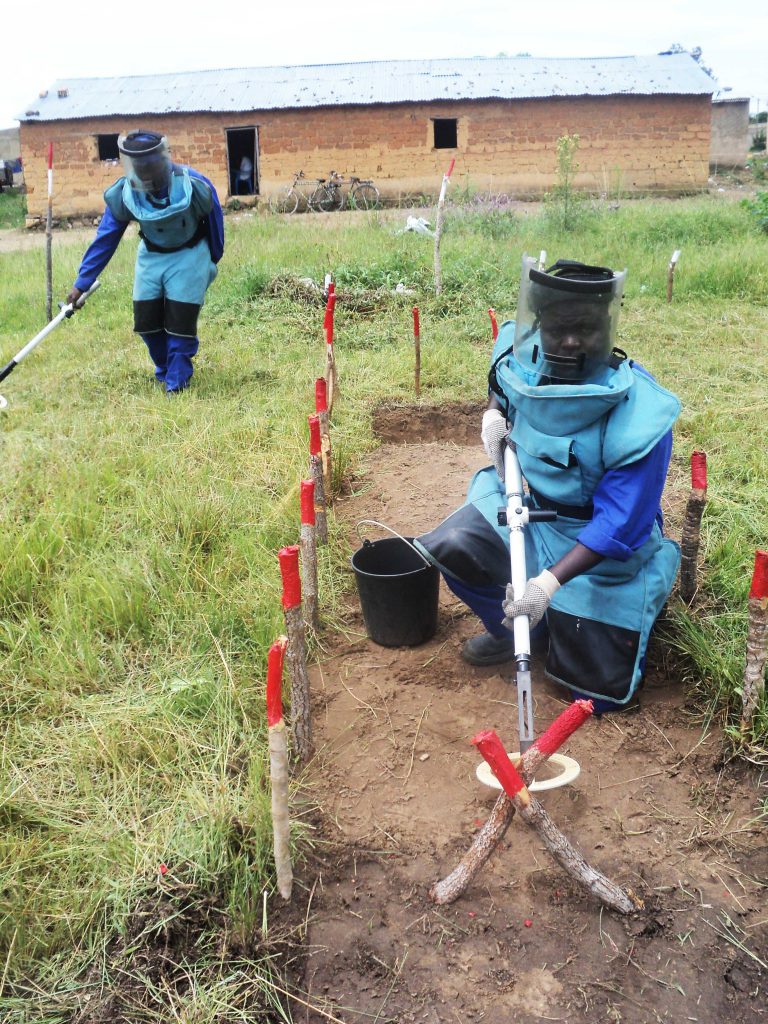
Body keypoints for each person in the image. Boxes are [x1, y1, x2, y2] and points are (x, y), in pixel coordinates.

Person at [415, 256, 681, 712]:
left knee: (597, 697)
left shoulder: (638, 413)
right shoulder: (526, 355)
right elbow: (505, 380)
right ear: (540, 326)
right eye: (559, 329)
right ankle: (521, 632)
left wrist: (547, 585)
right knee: (454, 542)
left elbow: (618, 524)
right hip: (532, 518)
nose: (571, 342)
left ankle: (604, 608)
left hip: (596, 553)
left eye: (586, 330)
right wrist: (494, 413)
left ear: (608, 328)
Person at [67, 130, 224, 394]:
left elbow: (215, 221)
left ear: (162, 159)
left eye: (150, 164)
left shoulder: (193, 183)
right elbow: (106, 237)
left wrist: (211, 258)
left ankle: (177, 381)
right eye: (139, 166)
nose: (146, 172)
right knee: (146, 322)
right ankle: (164, 369)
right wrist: (82, 283)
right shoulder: (126, 193)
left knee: (180, 323)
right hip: (151, 255)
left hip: (189, 254)